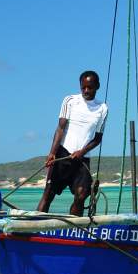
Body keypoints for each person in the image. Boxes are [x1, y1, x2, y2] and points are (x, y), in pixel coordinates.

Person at [38, 70, 108, 215]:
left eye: (90, 87)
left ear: (97, 86)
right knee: (48, 193)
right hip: (62, 154)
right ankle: (36, 225)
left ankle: (75, 229)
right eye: (83, 87)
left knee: (82, 195)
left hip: (82, 158)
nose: (86, 91)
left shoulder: (103, 108)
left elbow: (97, 139)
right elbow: (60, 129)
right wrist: (52, 153)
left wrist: (81, 152)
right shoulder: (69, 101)